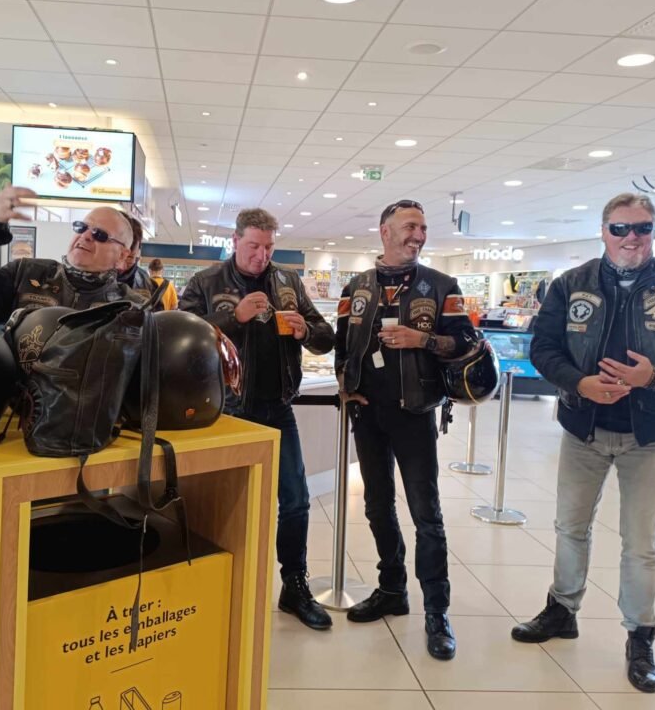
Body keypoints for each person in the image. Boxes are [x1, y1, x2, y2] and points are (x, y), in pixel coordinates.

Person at [513, 192, 655, 693]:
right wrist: (579, 382)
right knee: (570, 527)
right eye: (620, 228)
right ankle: (561, 609)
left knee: (640, 542)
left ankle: (640, 636)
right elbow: (543, 347)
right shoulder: (572, 284)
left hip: (650, 433)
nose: (631, 237)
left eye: (642, 228)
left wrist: (654, 375)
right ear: (603, 231)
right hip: (583, 427)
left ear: (653, 230)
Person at [179, 208, 335, 630]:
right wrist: (235, 317)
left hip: (278, 408)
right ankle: (211, 586)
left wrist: (306, 331)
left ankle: (294, 586)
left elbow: (326, 337)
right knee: (220, 502)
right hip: (225, 412)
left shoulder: (288, 281)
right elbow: (182, 337)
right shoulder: (206, 281)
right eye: (253, 245)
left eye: (268, 247)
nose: (261, 255)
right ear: (235, 241)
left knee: (296, 501)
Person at [335, 199, 476, 661]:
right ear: (385, 232)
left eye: (423, 227)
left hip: (415, 414)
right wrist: (346, 386)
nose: (418, 235)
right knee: (377, 506)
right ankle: (392, 589)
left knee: (426, 515)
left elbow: (466, 342)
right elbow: (342, 343)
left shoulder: (442, 286)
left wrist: (423, 340)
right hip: (367, 415)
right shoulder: (356, 287)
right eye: (410, 226)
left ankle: (437, 611)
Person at [0, 186, 144, 323]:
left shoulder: (134, 308)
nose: (85, 236)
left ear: (122, 256)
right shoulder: (26, 274)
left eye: (100, 234)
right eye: (81, 227)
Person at [117, 214, 158, 301]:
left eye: (130, 257)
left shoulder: (144, 280)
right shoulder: (89, 275)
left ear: (138, 253)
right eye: (118, 256)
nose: (121, 266)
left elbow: (156, 308)